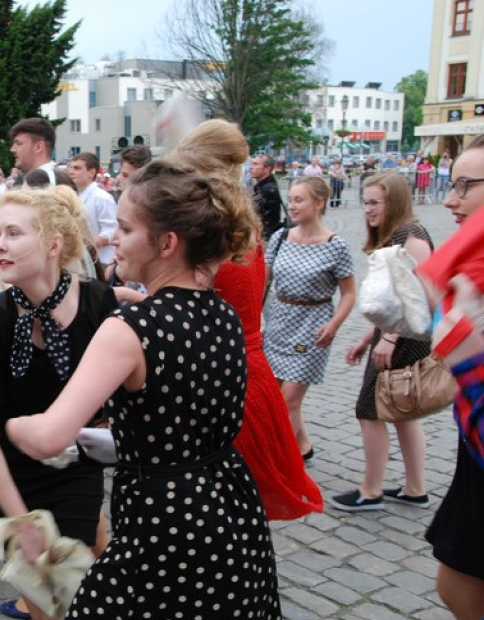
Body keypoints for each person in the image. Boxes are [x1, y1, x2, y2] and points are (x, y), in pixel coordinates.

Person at [5, 159, 291, 620]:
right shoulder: (222, 312)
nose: (114, 237)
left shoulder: (131, 326)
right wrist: (111, 441)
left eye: (129, 228)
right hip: (227, 507)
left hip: (164, 521)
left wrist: (9, 425)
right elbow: (178, 425)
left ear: (167, 244)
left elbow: (49, 435)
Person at [0, 186, 116, 620]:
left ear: (54, 244)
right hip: (10, 477)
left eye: (14, 233)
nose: (0, 245)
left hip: (75, 467)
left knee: (66, 615)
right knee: (45, 607)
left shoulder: (100, 305)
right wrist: (19, 522)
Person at [171, 119, 323, 520]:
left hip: (223, 380)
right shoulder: (240, 221)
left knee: (220, 513)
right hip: (246, 374)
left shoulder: (212, 229)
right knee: (236, 512)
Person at [330, 173, 434, 512]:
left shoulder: (410, 235)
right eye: (366, 202)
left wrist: (387, 338)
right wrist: (368, 336)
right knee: (403, 413)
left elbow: (421, 295)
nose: (368, 209)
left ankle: (371, 490)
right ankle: (415, 488)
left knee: (369, 411)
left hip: (405, 338)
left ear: (395, 202)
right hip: (397, 335)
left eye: (375, 202)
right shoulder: (397, 235)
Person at [423, 135, 484, 620]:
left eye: (465, 185)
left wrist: (470, 362)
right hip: (473, 449)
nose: (449, 197)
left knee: (459, 582)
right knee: (457, 582)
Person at [264, 176, 356, 461]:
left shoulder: (335, 245)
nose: (291, 205)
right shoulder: (280, 238)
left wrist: (334, 324)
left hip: (311, 326)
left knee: (289, 399)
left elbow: (350, 293)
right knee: (274, 396)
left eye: (298, 200)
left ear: (318, 203)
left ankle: (282, 459)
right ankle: (303, 447)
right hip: (279, 322)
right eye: (290, 199)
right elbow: (263, 282)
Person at [66, 152, 117, 273]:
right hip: (84, 260)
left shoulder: (102, 198)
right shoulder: (75, 195)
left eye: (77, 168)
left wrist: (84, 246)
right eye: (70, 167)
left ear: (92, 172)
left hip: (101, 262)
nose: (71, 171)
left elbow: (111, 231)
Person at [252, 153, 285, 241]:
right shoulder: (264, 185)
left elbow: (251, 210)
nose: (251, 167)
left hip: (265, 236)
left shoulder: (268, 189)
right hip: (264, 233)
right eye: (252, 164)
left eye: (255, 164)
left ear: (267, 169)